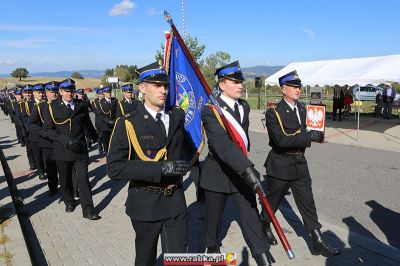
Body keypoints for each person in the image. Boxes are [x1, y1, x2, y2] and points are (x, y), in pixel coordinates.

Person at [107, 62, 190, 266]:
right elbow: (114, 168)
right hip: (145, 202)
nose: (163, 90)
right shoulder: (128, 123)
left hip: (175, 200)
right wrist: (161, 169)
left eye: (166, 86)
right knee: (145, 259)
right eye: (156, 85)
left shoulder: (177, 117)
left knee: (178, 259)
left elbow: (185, 149)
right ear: (142, 88)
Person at [262, 70, 340, 257]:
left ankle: (317, 241)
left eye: (299, 86)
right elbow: (280, 140)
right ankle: (264, 225)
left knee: (308, 203)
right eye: (294, 86)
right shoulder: (274, 112)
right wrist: (308, 136)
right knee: (273, 201)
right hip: (281, 164)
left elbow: (309, 132)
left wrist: (317, 135)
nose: (298, 89)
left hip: (299, 163)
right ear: (283, 89)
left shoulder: (304, 109)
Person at [199, 61, 270, 265]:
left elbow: (241, 141)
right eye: (235, 82)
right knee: (214, 217)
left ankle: (262, 255)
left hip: (240, 171)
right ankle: (212, 246)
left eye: (241, 81)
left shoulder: (244, 106)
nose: (241, 85)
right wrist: (247, 169)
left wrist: (244, 168)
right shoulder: (210, 110)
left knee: (251, 214)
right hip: (218, 171)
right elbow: (222, 145)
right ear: (221, 85)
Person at [43, 78, 99, 220]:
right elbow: (48, 130)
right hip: (63, 150)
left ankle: (88, 209)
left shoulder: (81, 105)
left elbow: (87, 123)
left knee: (83, 179)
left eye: (72, 91)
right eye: (66, 91)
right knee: (66, 179)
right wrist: (66, 142)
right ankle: (69, 201)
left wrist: (95, 137)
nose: (69, 93)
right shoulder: (51, 107)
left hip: (80, 150)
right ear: (60, 92)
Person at [28, 81, 60, 196]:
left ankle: (70, 189)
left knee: (65, 166)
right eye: (51, 92)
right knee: (50, 167)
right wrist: (45, 132)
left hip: (61, 141)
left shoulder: (63, 105)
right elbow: (31, 123)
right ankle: (53, 188)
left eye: (56, 91)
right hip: (46, 140)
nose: (54, 94)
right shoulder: (40, 106)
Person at [28, 83, 46, 180]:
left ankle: (48, 169)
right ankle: (41, 171)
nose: (41, 94)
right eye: (39, 92)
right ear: (34, 93)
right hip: (35, 135)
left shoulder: (48, 103)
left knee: (47, 155)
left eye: (42, 92)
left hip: (47, 134)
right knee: (38, 155)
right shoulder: (28, 104)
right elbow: (27, 120)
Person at [96, 86, 117, 155]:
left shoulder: (115, 100)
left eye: (110, 92)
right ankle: (106, 152)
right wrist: (107, 121)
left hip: (114, 124)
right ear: (104, 93)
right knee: (105, 141)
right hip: (105, 125)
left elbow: (117, 111)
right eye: (107, 92)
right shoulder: (100, 102)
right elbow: (100, 115)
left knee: (114, 140)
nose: (109, 94)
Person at [91, 88, 105, 155]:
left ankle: (106, 149)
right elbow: (95, 111)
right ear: (98, 94)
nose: (102, 95)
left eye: (103, 94)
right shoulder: (94, 102)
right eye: (101, 94)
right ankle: (100, 149)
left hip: (106, 122)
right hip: (99, 122)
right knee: (100, 137)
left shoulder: (107, 101)